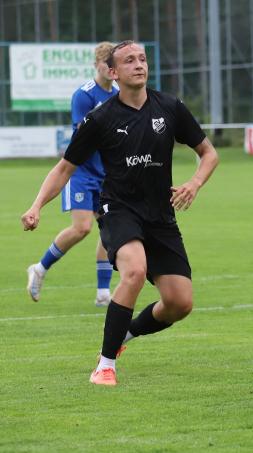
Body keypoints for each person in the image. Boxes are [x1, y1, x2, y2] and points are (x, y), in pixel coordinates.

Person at [20, 41, 219, 386]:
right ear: (113, 72)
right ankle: (105, 366)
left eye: (142, 59)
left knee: (179, 303)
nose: (139, 65)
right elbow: (64, 168)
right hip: (118, 210)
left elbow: (208, 152)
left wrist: (195, 183)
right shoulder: (100, 118)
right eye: (129, 61)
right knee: (134, 272)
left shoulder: (170, 107)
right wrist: (37, 205)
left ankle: (124, 334)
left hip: (161, 214)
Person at [25, 42, 119, 307]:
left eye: (112, 66)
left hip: (108, 174)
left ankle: (102, 293)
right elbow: (83, 135)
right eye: (105, 65)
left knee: (109, 229)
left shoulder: (119, 92)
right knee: (82, 228)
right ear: (96, 66)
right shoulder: (84, 95)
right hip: (82, 172)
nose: (109, 70)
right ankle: (40, 268)